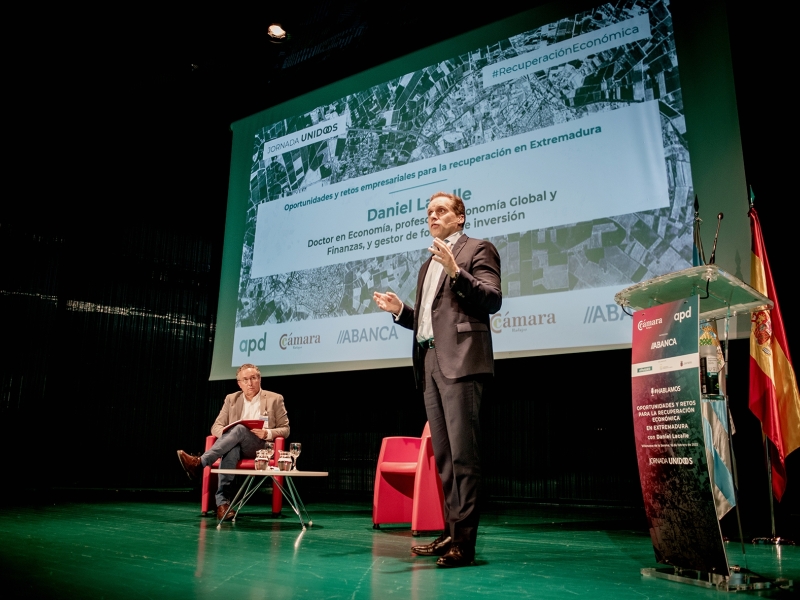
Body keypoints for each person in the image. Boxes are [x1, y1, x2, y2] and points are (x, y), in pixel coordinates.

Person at [373, 191, 501, 567]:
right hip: (430, 361)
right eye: (429, 212)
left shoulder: (478, 249)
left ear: (460, 218)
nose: (433, 216)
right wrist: (401, 312)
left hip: (462, 362)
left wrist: (454, 271)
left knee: (464, 456)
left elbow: (492, 299)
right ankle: (449, 533)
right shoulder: (427, 264)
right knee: (443, 457)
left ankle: (465, 543)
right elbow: (432, 323)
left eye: (441, 211)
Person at [177, 363, 290, 521]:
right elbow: (216, 427)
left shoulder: (274, 399)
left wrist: (267, 432)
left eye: (253, 378)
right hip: (234, 445)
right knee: (232, 445)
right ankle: (223, 505)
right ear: (239, 383)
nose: (250, 383)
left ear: (259, 379)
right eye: (245, 379)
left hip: (260, 447)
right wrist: (229, 435)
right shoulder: (231, 399)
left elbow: (285, 429)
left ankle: (199, 463)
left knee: (239, 429)